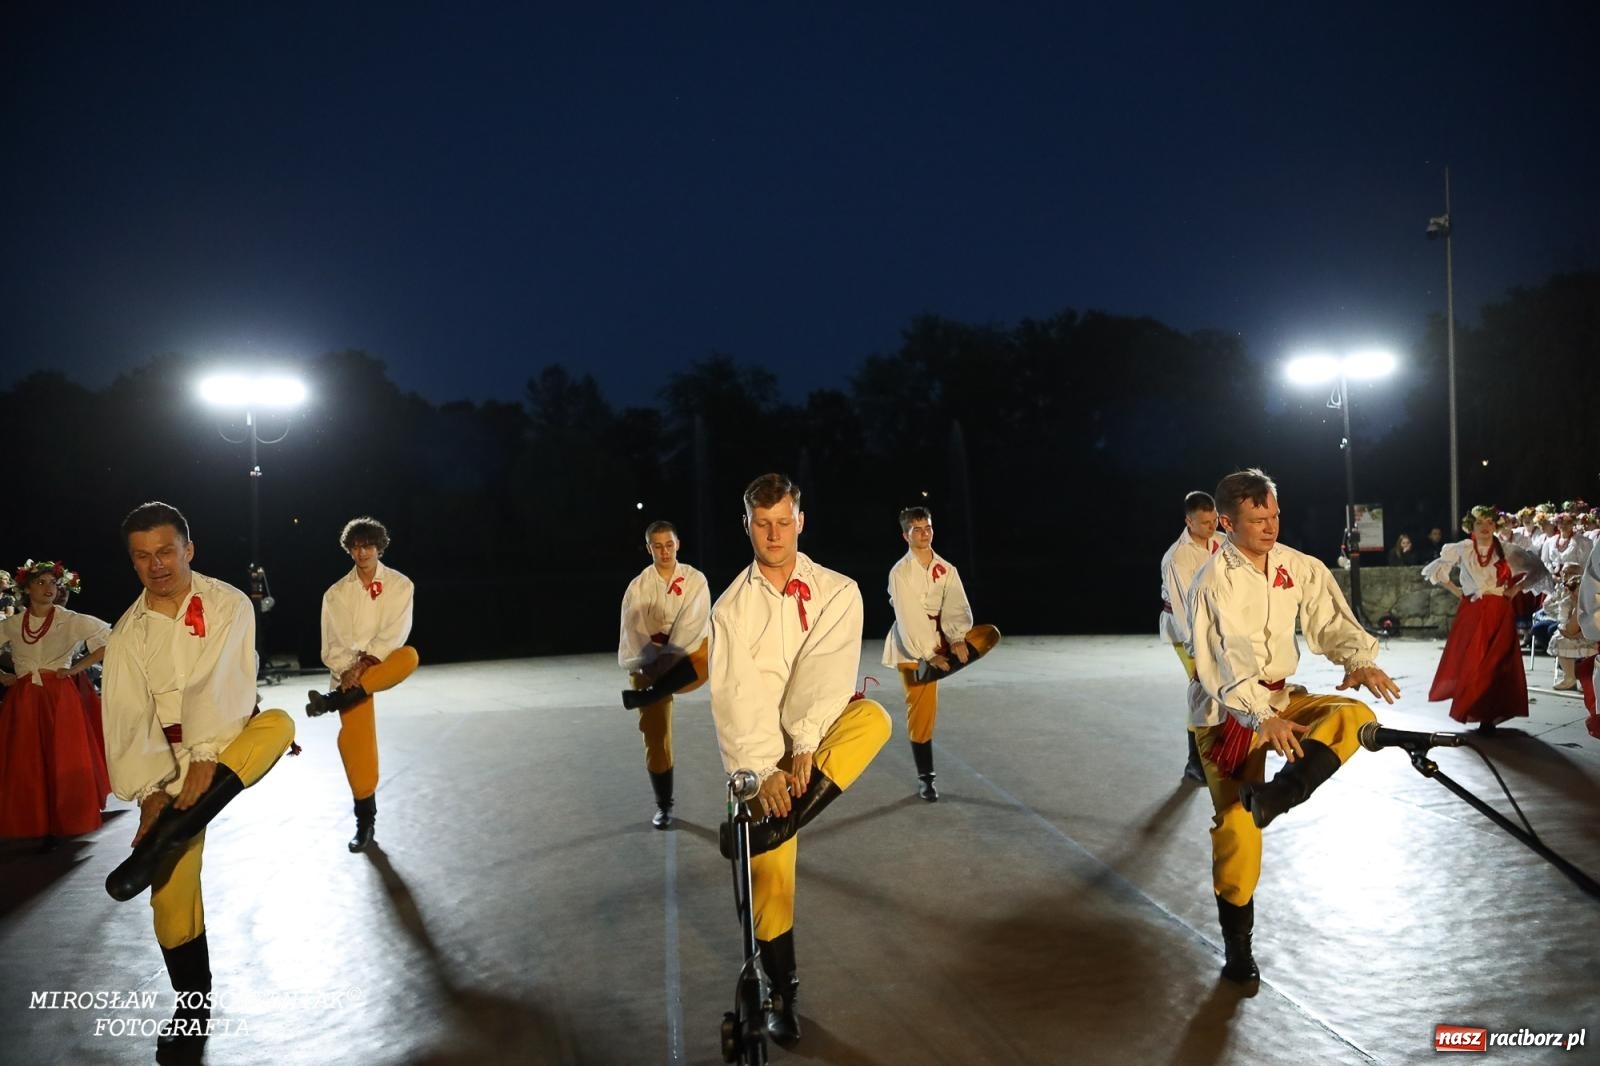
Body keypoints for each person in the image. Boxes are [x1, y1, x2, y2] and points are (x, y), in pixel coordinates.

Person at [100, 501, 296, 1060]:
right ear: (133, 562)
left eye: (165, 551)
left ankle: (180, 823)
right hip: (169, 758)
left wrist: (208, 751)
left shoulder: (229, 602)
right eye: (142, 556)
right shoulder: (126, 634)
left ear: (189, 549)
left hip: (229, 738)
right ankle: (192, 1009)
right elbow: (128, 717)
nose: (156, 564)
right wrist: (150, 794)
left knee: (280, 723)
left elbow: (220, 683)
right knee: (170, 898)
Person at [1187, 469, 1399, 984]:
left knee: (1354, 716)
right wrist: (1261, 715)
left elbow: (1330, 619)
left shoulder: (1296, 565)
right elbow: (1227, 657)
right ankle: (1238, 946)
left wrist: (1357, 659)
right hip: (1229, 711)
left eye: (1275, 515)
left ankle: (1275, 797)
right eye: (1257, 519)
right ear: (1228, 523)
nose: (1271, 526)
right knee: (1237, 829)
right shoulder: (1213, 580)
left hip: (1284, 697)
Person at [710, 473, 891, 1047]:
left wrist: (808, 742)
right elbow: (736, 698)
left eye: (783, 522)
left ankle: (777, 826)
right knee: (770, 881)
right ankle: (781, 992)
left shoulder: (839, 591)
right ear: (746, 526)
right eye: (762, 524)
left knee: (875, 719)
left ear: (800, 522)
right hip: (760, 751)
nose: (774, 534)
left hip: (813, 735)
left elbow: (826, 670)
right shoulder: (730, 610)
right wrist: (767, 771)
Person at [308, 516, 418, 852]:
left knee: (410, 656)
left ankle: (331, 701)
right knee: (358, 747)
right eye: (356, 547)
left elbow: (394, 634)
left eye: (368, 545)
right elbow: (333, 643)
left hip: (382, 666)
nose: (362, 552)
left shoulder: (401, 585)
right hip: (347, 677)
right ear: (349, 550)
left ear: (379, 547)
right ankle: (365, 823)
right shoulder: (336, 593)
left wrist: (363, 665)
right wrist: (348, 670)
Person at [881, 505, 1000, 801]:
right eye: (917, 530)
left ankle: (949, 662)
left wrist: (956, 637)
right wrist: (927, 653)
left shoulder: (947, 569)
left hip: (940, 636)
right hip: (910, 645)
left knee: (989, 633)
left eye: (928, 528)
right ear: (905, 535)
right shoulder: (900, 572)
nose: (924, 534)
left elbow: (956, 604)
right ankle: (926, 778)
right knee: (921, 709)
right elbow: (908, 615)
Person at [0, 560, 111, 844]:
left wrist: (76, 668)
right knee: (28, 760)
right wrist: (2, 675)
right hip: (24, 699)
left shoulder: (70, 620)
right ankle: (35, 819)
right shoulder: (13, 624)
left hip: (60, 697)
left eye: (53, 583)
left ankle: (66, 817)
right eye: (40, 582)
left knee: (63, 757)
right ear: (26, 589)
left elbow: (107, 642)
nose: (48, 588)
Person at [617, 520, 710, 828]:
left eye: (669, 545)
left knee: (714, 648)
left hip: (686, 661)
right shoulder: (638, 587)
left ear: (678, 544)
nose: (665, 551)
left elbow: (693, 624)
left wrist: (671, 655)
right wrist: (651, 663)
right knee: (656, 736)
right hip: (651, 664)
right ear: (649, 549)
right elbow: (634, 632)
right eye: (657, 546)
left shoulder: (695, 579)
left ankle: (650, 695)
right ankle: (664, 805)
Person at [1422, 505, 1544, 731]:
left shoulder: (1506, 550)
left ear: (1496, 525)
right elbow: (1436, 571)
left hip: (1499, 611)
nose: (1485, 527)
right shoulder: (1464, 548)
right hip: (1473, 611)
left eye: (1489, 523)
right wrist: (1458, 591)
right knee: (1475, 660)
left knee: (1496, 662)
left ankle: (1488, 714)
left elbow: (1537, 569)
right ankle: (1473, 707)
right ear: (1471, 526)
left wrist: (1515, 589)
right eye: (1479, 523)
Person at [1159, 491, 1224, 782]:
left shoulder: (1222, 542)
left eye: (1214, 520)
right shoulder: (1177, 558)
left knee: (1221, 686)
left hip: (1215, 625)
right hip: (1185, 629)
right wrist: (1196, 649)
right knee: (1202, 686)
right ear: (1189, 521)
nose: (1212, 527)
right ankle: (1194, 761)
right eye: (1205, 523)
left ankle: (1218, 750)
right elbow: (1182, 609)